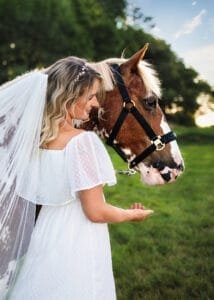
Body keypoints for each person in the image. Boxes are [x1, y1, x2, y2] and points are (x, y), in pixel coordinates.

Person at [0, 56, 153, 300]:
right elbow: (95, 211)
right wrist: (131, 215)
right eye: (91, 96)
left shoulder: (37, 141)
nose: (95, 105)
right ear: (70, 98)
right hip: (78, 239)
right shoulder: (82, 141)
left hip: (43, 235)